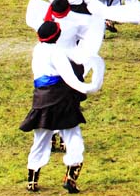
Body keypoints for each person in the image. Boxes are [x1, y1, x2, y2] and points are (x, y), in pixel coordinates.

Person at [20, 20, 103, 194]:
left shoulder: (37, 49)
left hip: (41, 99)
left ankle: (32, 180)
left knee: (41, 139)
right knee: (73, 138)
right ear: (57, 35)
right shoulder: (57, 53)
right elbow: (69, 78)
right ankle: (70, 178)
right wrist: (87, 87)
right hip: (61, 100)